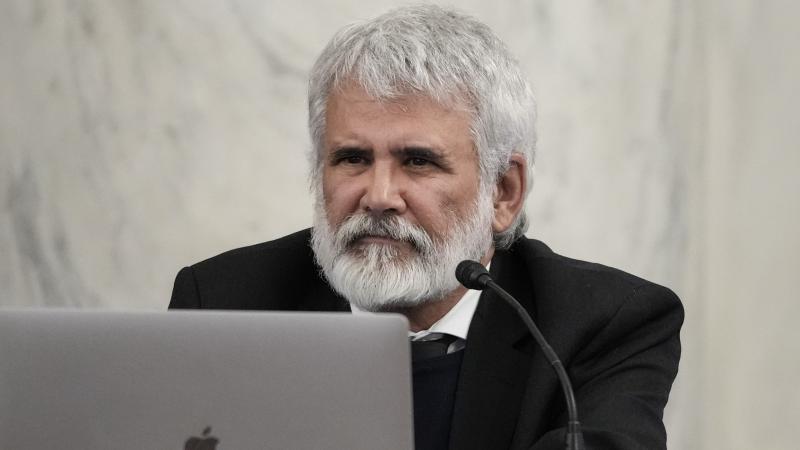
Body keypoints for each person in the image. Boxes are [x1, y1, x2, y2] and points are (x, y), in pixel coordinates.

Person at [170, 5, 683, 450]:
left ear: (503, 192)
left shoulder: (600, 325)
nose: (378, 196)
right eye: (352, 158)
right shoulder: (225, 303)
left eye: (418, 162)